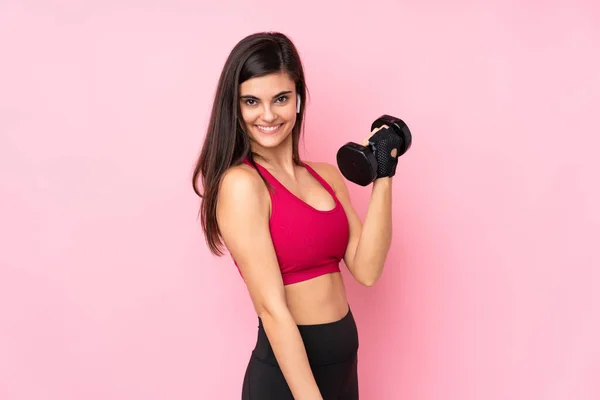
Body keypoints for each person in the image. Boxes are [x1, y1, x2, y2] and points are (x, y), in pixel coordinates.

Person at [192, 31, 395, 399]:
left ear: (298, 99)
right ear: (235, 108)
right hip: (288, 381)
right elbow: (271, 309)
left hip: (344, 369)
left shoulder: (326, 176)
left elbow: (367, 270)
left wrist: (383, 174)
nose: (267, 115)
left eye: (281, 98)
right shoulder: (242, 185)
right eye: (251, 101)